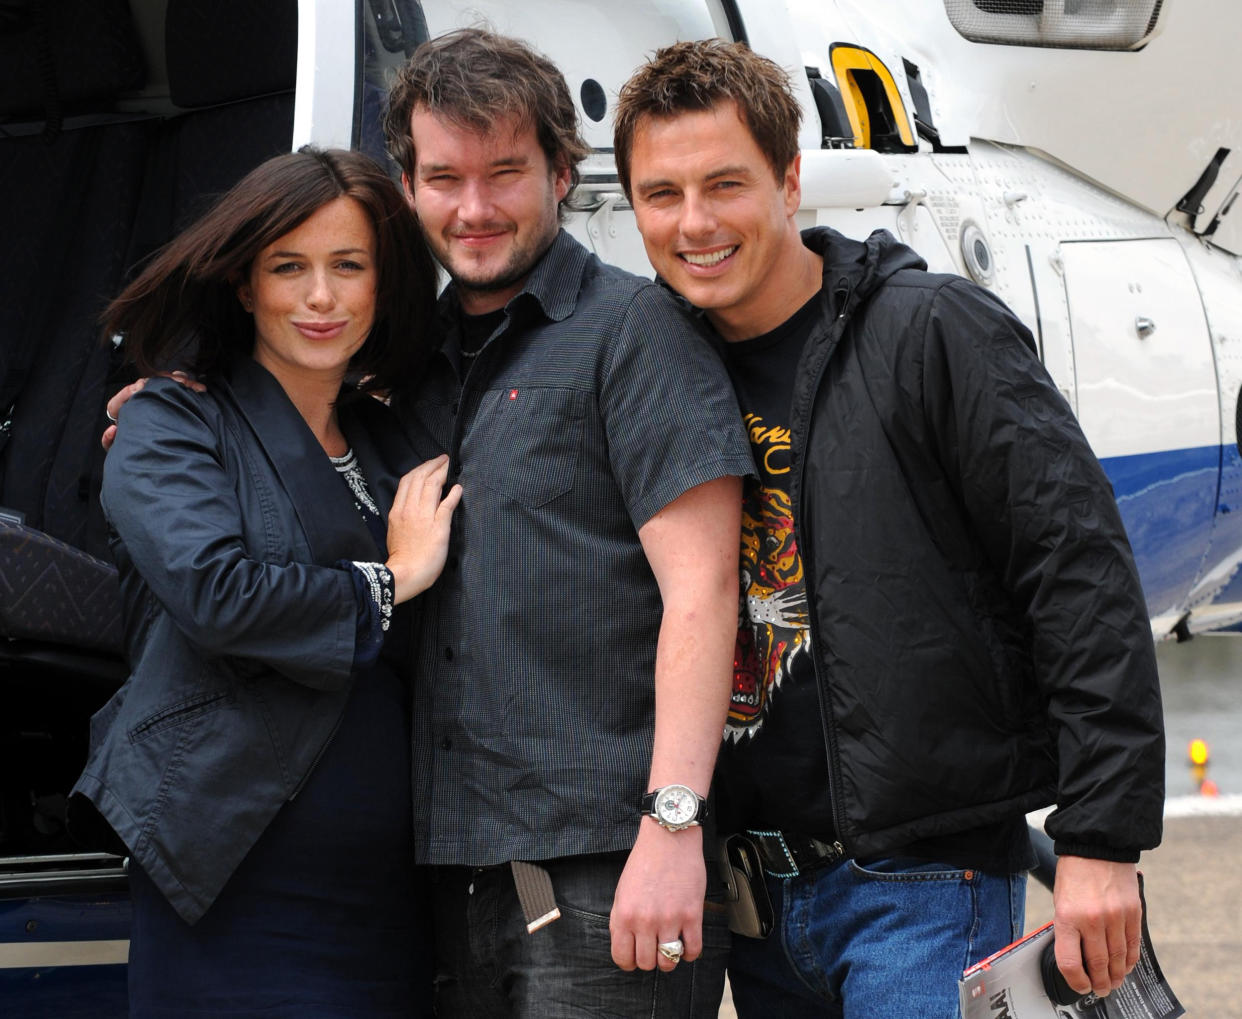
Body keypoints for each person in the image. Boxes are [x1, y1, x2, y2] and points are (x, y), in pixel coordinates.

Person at [613, 39, 1166, 1018]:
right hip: (753, 896)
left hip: (922, 885)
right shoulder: (652, 365)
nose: (694, 223)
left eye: (724, 184)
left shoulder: (932, 330)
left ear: (790, 181)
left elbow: (1078, 575)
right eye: (661, 194)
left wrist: (1100, 839)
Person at [379, 27, 754, 1019]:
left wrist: (675, 826)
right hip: (451, 868)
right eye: (444, 177)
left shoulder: (636, 331)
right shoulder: (408, 360)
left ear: (560, 169)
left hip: (604, 867)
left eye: (504, 172)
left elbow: (705, 591)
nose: (473, 208)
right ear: (407, 184)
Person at [70, 147, 460, 1018]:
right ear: (245, 286)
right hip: (234, 892)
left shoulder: (395, 442)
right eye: (289, 267)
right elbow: (219, 593)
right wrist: (391, 579)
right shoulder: (171, 421)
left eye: (347, 267)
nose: (320, 296)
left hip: (396, 909)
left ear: (381, 284)